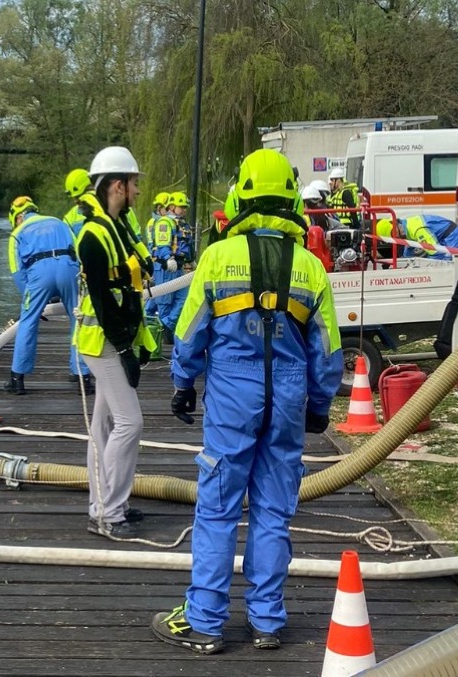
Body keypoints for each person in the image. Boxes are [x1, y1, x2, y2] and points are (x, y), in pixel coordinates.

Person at [151, 149, 342, 654]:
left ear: (242, 195)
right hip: (288, 396)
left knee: (216, 510)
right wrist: (319, 403)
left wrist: (182, 383)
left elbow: (188, 331)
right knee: (274, 512)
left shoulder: (217, 257)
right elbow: (327, 349)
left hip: (232, 396)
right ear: (290, 198)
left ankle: (207, 623)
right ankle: (267, 622)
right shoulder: (311, 267)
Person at [73, 145, 156, 540]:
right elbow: (104, 302)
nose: (138, 192)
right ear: (118, 185)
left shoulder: (116, 227)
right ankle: (108, 514)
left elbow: (134, 272)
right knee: (130, 422)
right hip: (102, 341)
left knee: (105, 427)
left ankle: (106, 506)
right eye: (134, 184)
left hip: (108, 339)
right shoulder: (93, 236)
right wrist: (124, 349)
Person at [4, 196, 91, 395]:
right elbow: (78, 252)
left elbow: (17, 272)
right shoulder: (60, 222)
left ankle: (17, 380)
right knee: (78, 320)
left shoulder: (17, 234)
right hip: (69, 269)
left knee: (28, 322)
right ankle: (82, 378)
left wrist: (33, 301)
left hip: (38, 274)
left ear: (18, 217)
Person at [146, 192, 180, 332]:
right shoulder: (161, 223)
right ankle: (160, 328)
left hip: (157, 264)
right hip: (161, 265)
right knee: (161, 298)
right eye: (167, 208)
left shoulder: (156, 222)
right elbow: (160, 245)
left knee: (154, 297)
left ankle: (148, 323)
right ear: (160, 208)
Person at [374, 214, 458, 261]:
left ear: (395, 224)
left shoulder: (417, 230)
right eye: (393, 236)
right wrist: (405, 262)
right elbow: (409, 247)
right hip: (442, 236)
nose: (396, 236)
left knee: (446, 263)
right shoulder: (405, 228)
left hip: (452, 236)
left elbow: (435, 252)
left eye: (394, 232)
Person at [62, 168, 91, 239]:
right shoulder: (70, 218)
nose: (76, 201)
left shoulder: (110, 207)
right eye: (74, 198)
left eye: (78, 196)